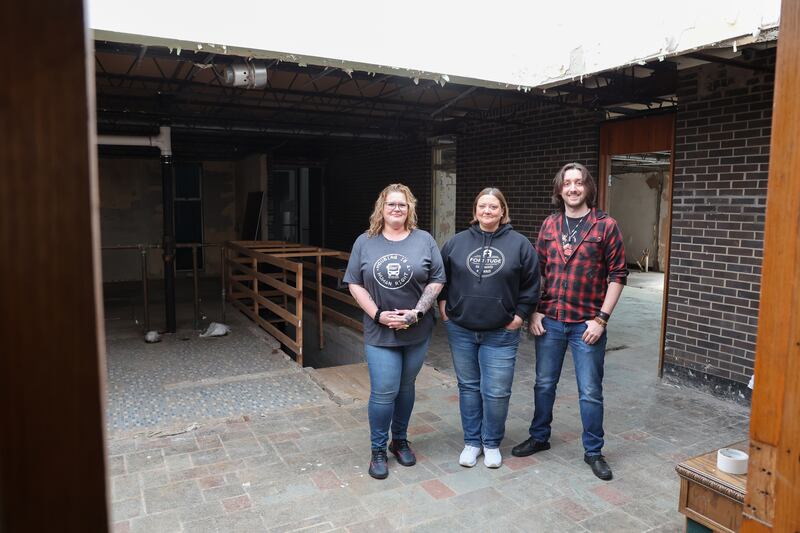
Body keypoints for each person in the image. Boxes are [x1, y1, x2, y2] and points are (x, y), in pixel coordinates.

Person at [511, 162, 627, 481]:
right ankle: (539, 437)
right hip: (550, 321)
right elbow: (539, 272)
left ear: (588, 187)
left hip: (586, 325)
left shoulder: (605, 226)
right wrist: (535, 310)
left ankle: (594, 451)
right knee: (544, 384)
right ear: (559, 189)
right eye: (567, 183)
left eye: (579, 182)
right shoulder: (549, 224)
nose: (573, 188)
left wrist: (601, 320)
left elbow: (618, 274)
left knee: (590, 391)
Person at [344, 183, 445, 480]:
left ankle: (399, 440)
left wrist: (416, 313)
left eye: (402, 204)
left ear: (409, 208)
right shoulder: (366, 241)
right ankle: (377, 449)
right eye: (391, 204)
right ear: (382, 208)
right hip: (381, 333)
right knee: (384, 390)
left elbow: (437, 279)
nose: (397, 209)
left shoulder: (424, 240)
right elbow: (354, 283)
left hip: (416, 330)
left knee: (406, 387)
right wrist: (376, 313)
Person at [439, 187, 539, 468]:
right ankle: (472, 442)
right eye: (482, 206)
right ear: (475, 211)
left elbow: (532, 284)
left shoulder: (520, 245)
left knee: (496, 391)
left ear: (503, 212)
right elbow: (440, 278)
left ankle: (491, 442)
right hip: (461, 329)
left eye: (494, 207)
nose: (487, 211)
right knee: (469, 387)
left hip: (501, 332)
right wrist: (444, 309)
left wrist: (520, 316)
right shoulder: (456, 243)